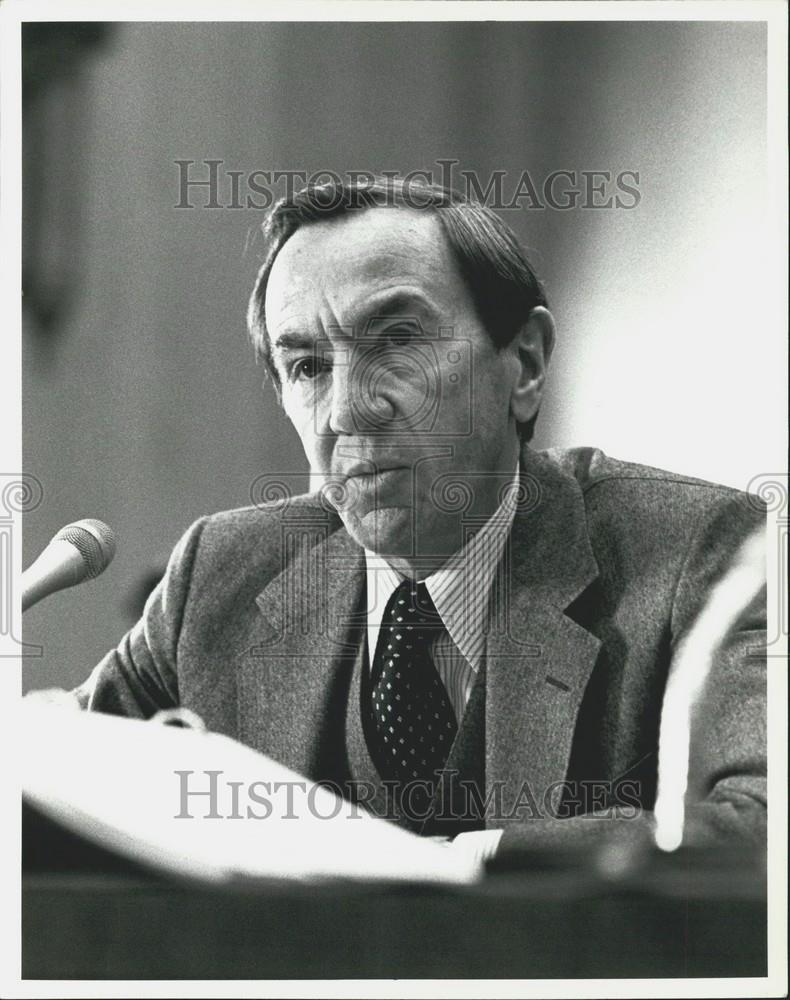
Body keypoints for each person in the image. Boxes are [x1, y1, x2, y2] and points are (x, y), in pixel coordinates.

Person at [73, 177, 766, 860]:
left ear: (523, 364)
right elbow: (50, 797)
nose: (346, 411)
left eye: (397, 341)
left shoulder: (699, 556)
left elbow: (761, 827)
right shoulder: (217, 576)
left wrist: (467, 863)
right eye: (309, 366)